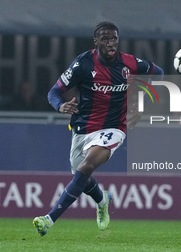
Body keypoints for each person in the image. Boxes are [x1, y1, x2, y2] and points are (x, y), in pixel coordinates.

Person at [33, 21, 163, 236]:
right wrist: (60, 105)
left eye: (114, 39)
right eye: (105, 39)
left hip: (114, 127)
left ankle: (49, 220)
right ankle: (103, 201)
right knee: (81, 178)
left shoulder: (129, 63)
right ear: (96, 41)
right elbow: (53, 92)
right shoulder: (83, 63)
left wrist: (142, 105)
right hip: (82, 128)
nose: (111, 43)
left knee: (85, 168)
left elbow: (158, 72)